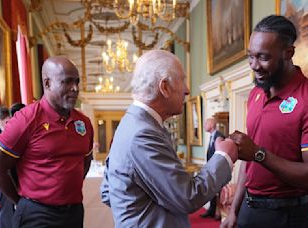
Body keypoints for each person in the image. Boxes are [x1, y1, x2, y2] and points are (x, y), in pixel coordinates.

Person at [101, 50, 240, 227]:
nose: (187, 90)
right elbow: (187, 197)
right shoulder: (142, 133)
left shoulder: (132, 124)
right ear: (164, 87)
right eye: (182, 80)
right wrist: (224, 157)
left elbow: (107, 192)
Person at [221, 15, 308, 228]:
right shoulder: (255, 94)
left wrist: (259, 154)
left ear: (288, 53)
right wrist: (234, 210)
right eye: (250, 57)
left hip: (286, 214)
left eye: (264, 57)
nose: (254, 65)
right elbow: (249, 158)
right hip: (248, 207)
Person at [0, 56, 94, 228]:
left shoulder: (84, 123)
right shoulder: (26, 119)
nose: (75, 88)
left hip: (73, 212)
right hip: (36, 214)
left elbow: (85, 162)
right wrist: (22, 201)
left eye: (76, 82)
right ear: (47, 83)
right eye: (67, 82)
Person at [200, 117, 225, 220]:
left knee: (218, 191)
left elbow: (220, 155)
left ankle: (218, 213)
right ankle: (211, 210)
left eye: (206, 123)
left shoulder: (219, 136)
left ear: (212, 124)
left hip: (218, 169)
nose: (204, 125)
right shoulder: (212, 136)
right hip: (211, 169)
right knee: (212, 191)